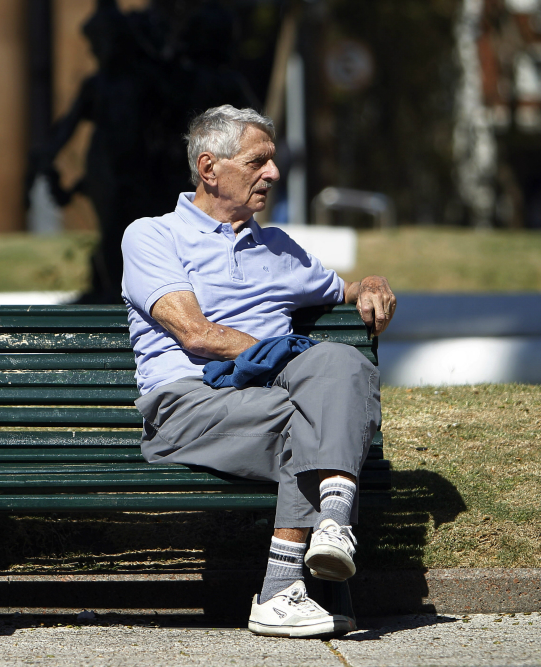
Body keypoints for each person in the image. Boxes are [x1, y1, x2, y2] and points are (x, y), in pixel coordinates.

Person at [121, 106, 396, 638]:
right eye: (258, 162)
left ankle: (315, 546)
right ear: (209, 168)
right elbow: (195, 333)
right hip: (189, 402)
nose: (273, 173)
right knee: (311, 414)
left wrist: (372, 283)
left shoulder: (279, 249)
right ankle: (291, 573)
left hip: (267, 401)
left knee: (342, 360)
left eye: (273, 161)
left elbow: (345, 290)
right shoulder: (153, 236)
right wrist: (286, 353)